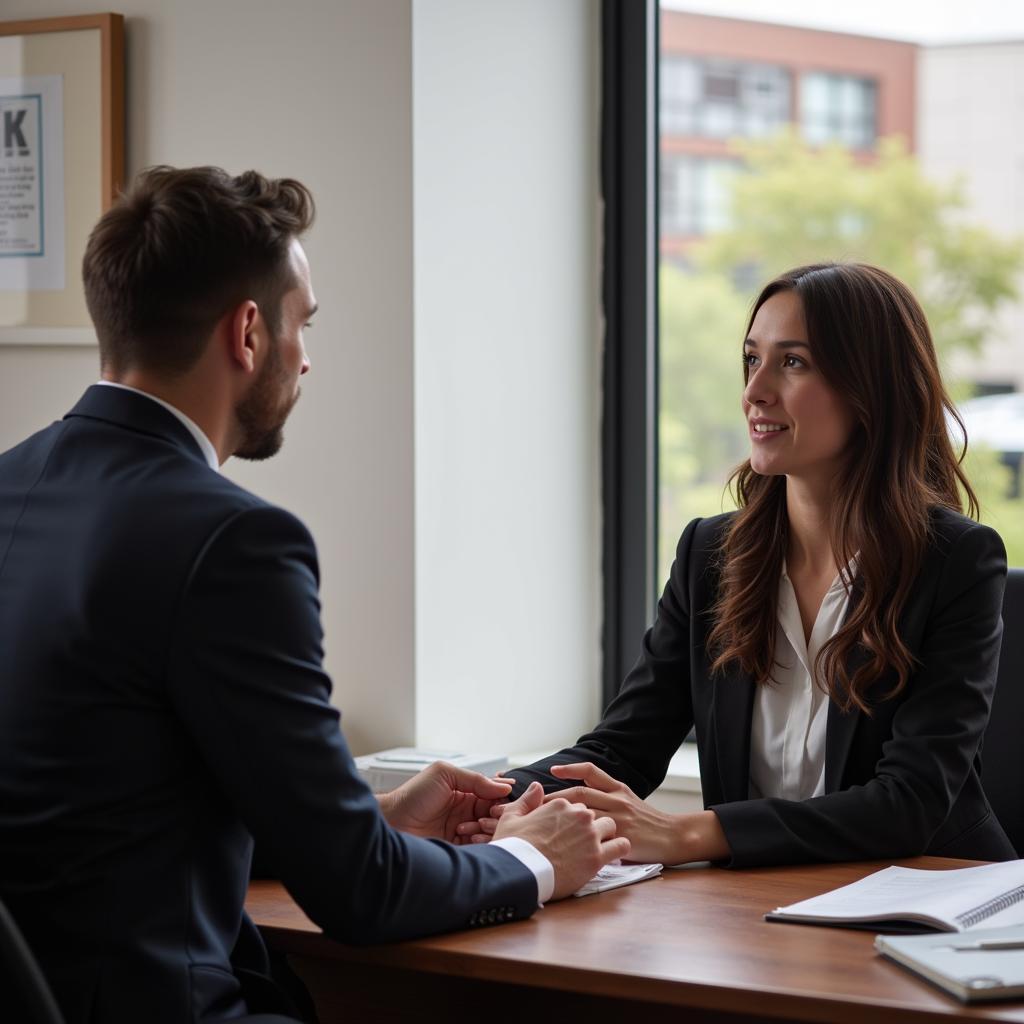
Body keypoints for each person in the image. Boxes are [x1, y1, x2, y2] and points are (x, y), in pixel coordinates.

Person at [0, 165, 629, 1024]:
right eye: (304, 322)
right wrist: (533, 859)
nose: (308, 355)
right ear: (248, 332)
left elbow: (105, 804)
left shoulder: (11, 485)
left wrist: (376, 816)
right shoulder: (233, 541)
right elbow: (359, 894)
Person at [461, 262, 1015, 868]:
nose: (755, 390)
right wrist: (489, 799)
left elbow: (909, 803)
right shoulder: (710, 555)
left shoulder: (955, 562)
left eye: (793, 362)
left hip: (927, 906)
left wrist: (686, 834)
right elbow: (624, 749)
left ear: (870, 389)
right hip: (756, 906)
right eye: (752, 359)